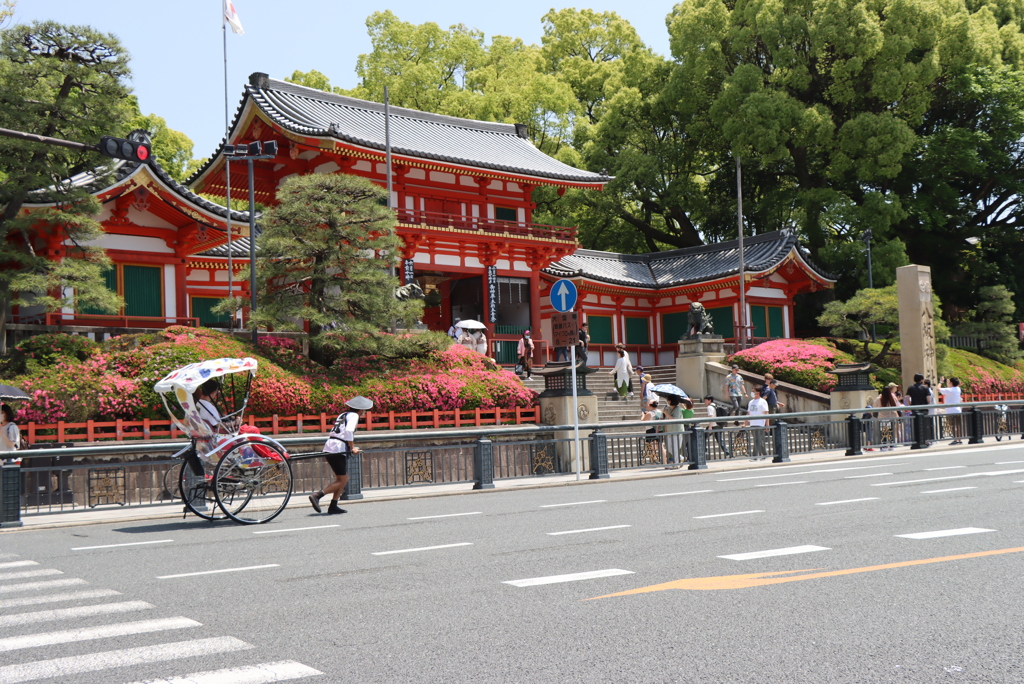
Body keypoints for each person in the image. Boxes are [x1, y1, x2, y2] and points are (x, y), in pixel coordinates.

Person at [309, 396, 373, 515]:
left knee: (342, 479)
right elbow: (348, 431)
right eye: (364, 410)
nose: (364, 412)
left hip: (330, 446)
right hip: (337, 448)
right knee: (343, 479)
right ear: (361, 410)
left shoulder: (343, 414)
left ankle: (333, 505)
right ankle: (317, 496)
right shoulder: (354, 416)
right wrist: (352, 447)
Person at [905, 373, 932, 445]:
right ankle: (925, 440)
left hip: (914, 408)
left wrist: (910, 405)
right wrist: (927, 404)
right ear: (922, 380)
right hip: (924, 408)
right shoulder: (925, 388)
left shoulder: (911, 387)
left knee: (915, 425)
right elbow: (929, 399)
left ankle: (916, 441)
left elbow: (907, 398)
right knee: (924, 425)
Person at [873, 382, 900, 450]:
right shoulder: (893, 397)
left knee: (883, 431)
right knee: (891, 430)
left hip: (883, 417)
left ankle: (884, 445)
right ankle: (891, 445)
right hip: (892, 416)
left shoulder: (880, 398)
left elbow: (874, 407)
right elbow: (897, 405)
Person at [745, 390, 770, 461]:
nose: (752, 393)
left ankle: (754, 456)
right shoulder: (751, 402)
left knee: (757, 440)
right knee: (758, 440)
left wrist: (767, 424)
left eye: (754, 391)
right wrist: (745, 423)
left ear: (758, 393)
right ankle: (765, 454)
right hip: (752, 423)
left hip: (760, 423)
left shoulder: (762, 401)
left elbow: (766, 413)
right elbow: (748, 413)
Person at [938, 377, 963, 445]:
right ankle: (959, 439)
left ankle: (955, 439)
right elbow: (949, 388)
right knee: (958, 426)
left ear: (951, 383)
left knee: (952, 426)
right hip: (957, 410)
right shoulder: (958, 389)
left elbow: (938, 389)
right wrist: (948, 382)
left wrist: (940, 382)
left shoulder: (950, 390)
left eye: (949, 382)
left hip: (950, 411)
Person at [640, 399, 665, 464]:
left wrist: (643, 415)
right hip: (659, 430)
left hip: (651, 430)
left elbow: (643, 421)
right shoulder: (660, 412)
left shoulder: (649, 413)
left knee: (651, 445)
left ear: (651, 406)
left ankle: (655, 458)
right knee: (660, 445)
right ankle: (664, 460)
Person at [663, 395, 685, 468]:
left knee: (675, 448)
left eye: (668, 400)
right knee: (669, 448)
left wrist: (666, 413)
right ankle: (681, 458)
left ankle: (676, 464)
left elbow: (674, 419)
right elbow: (666, 420)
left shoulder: (678, 409)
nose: (667, 401)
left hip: (677, 431)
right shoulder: (668, 408)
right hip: (669, 431)